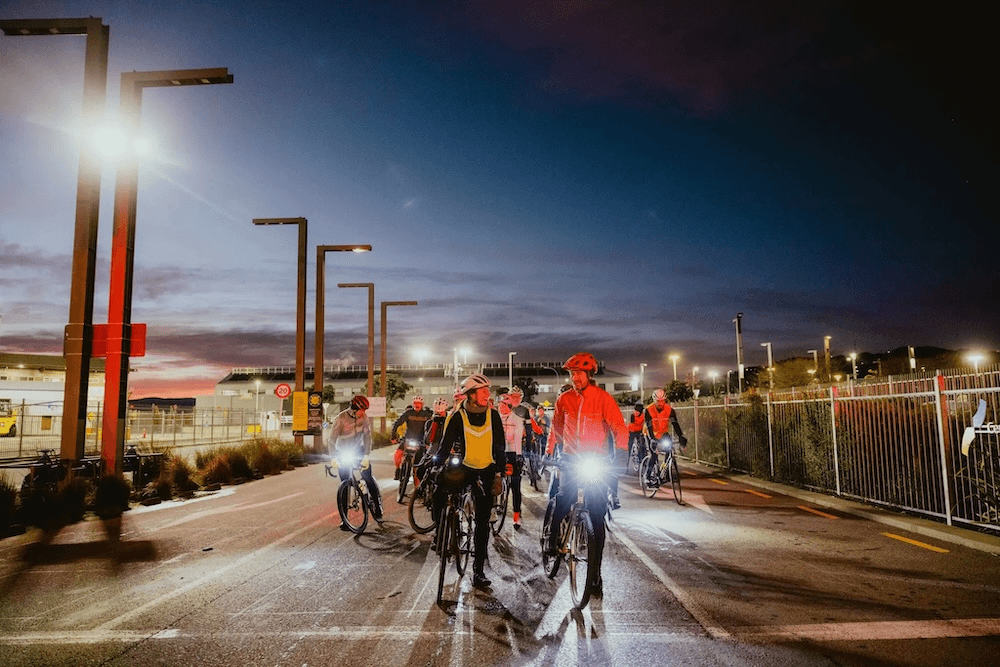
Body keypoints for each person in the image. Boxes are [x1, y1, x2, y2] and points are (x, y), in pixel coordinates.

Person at [544, 352, 628, 596]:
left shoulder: (602, 398)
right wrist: (556, 451)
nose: (575, 378)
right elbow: (557, 427)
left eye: (579, 373)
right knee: (563, 497)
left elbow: (619, 427)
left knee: (597, 515)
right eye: (571, 374)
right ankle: (552, 537)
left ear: (589, 375)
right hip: (571, 457)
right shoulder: (564, 399)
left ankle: (595, 575)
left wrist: (621, 454)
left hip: (596, 459)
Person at [436, 373, 505, 588]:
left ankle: (478, 570)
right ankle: (445, 532)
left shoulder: (493, 416)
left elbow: (500, 446)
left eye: (487, 390)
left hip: (486, 471)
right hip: (464, 469)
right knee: (440, 491)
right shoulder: (459, 416)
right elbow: (445, 446)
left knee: (483, 522)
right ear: (471, 395)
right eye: (483, 391)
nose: (487, 394)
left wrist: (501, 471)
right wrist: (436, 463)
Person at [330, 395, 382, 529]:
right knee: (344, 485)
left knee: (367, 477)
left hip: (359, 452)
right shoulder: (341, 418)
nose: (363, 412)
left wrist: (366, 455)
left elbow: (367, 436)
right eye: (362, 409)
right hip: (343, 452)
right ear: (354, 408)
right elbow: (332, 439)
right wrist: (333, 457)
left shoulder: (363, 418)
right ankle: (344, 519)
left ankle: (377, 506)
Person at [642, 388, 687, 476]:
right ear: (654, 399)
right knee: (654, 455)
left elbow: (675, 424)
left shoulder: (669, 410)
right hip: (650, 434)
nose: (660, 403)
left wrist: (680, 436)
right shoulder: (648, 410)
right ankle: (647, 476)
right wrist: (652, 439)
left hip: (663, 433)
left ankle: (664, 468)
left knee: (669, 450)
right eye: (658, 401)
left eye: (662, 401)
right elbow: (649, 426)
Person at [498, 396, 526, 529]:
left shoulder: (516, 420)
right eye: (499, 405)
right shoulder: (496, 418)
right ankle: (493, 508)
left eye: (502, 405)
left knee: (515, 485)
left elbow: (518, 438)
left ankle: (516, 514)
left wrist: (519, 455)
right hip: (498, 453)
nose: (500, 408)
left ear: (508, 406)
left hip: (512, 452)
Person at [392, 395, 433, 480]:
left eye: (419, 403)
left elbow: (432, 425)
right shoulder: (408, 413)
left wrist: (428, 441)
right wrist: (393, 435)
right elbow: (397, 423)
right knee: (398, 453)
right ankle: (397, 470)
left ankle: (418, 485)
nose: (417, 405)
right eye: (415, 403)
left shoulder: (427, 414)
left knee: (419, 463)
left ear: (422, 404)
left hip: (421, 441)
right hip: (408, 438)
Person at [627, 402, 645, 470]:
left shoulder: (633, 414)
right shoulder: (635, 415)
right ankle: (640, 459)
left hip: (636, 430)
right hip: (633, 430)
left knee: (634, 445)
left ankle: (640, 458)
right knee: (636, 444)